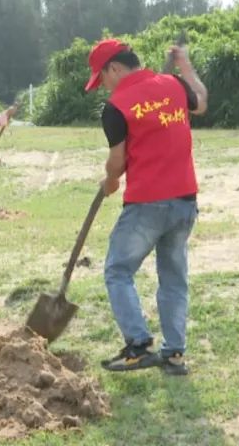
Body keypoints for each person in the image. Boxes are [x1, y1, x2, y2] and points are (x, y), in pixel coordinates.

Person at [84, 38, 208, 377]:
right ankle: (174, 355)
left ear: (114, 68)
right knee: (173, 277)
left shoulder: (116, 106)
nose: (103, 86)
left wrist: (110, 182)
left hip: (146, 205)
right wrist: (184, 65)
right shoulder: (173, 84)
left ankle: (138, 345)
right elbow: (201, 104)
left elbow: (117, 161)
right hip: (184, 201)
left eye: (102, 78)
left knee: (117, 270)